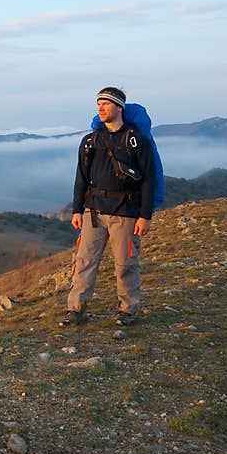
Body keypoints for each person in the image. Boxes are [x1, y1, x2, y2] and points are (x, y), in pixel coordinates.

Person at [60, 86, 156, 327]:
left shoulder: (136, 141)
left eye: (106, 103)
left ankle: (127, 310)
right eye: (98, 104)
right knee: (84, 262)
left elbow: (149, 180)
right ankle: (76, 310)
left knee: (125, 264)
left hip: (126, 212)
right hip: (93, 212)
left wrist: (145, 216)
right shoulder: (90, 141)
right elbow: (81, 177)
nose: (100, 108)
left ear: (119, 107)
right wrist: (77, 209)